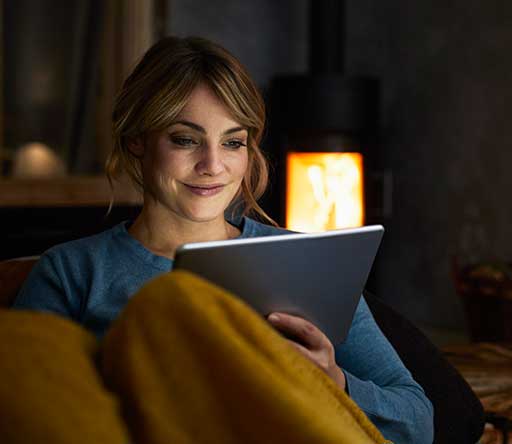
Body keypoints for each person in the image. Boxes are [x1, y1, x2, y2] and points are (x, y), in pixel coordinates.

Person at [12, 36, 433, 443]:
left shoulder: (307, 261)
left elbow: (417, 421)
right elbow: (30, 415)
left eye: (233, 142)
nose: (212, 165)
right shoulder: (71, 271)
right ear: (137, 140)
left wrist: (336, 381)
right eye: (185, 139)